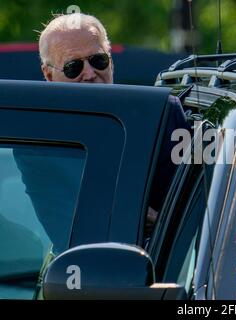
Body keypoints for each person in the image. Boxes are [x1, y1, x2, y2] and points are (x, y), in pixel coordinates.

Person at [14, 13, 189, 253]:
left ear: (111, 61)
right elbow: (74, 236)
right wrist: (137, 212)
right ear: (48, 74)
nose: (88, 73)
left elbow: (190, 218)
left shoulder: (162, 114)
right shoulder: (37, 143)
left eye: (98, 60)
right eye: (73, 66)